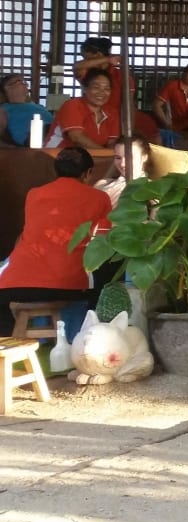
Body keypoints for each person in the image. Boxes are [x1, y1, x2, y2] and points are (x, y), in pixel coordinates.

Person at [0, 146, 114, 335]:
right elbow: (102, 240)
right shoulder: (99, 198)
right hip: (69, 285)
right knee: (108, 266)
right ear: (87, 173)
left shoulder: (34, 195)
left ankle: (6, 340)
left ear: (56, 170)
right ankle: (92, 332)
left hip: (16, 283)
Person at [55, 68, 120, 149]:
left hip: (89, 155)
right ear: (85, 89)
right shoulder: (73, 105)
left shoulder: (112, 112)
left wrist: (111, 154)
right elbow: (76, 137)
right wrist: (104, 153)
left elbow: (112, 142)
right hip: (57, 153)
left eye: (107, 89)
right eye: (96, 87)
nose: (102, 92)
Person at [154, 62, 188, 137]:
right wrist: (166, 124)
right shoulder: (172, 86)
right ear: (184, 73)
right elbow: (156, 105)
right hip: (175, 126)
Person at [0, 73, 54, 147]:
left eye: (25, 82)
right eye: (21, 82)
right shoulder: (4, 108)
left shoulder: (39, 107)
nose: (26, 85)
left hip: (55, 132)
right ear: (8, 87)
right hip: (35, 137)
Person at [71, 37, 126, 106]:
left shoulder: (120, 74)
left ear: (98, 54)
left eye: (86, 58)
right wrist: (108, 59)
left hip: (114, 112)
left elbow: (128, 101)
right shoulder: (86, 72)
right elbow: (77, 66)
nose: (85, 62)